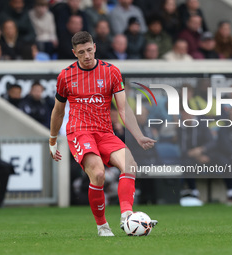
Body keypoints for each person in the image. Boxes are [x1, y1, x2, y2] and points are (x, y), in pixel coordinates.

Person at [49, 31, 157, 236]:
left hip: (105, 132)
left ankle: (127, 215)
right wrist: (53, 139)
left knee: (130, 165)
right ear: (74, 53)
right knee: (98, 174)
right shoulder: (65, 76)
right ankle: (102, 226)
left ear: (95, 47)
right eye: (81, 52)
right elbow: (58, 111)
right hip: (79, 132)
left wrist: (138, 135)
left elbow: (124, 108)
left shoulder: (111, 72)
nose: (87, 55)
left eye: (89, 50)